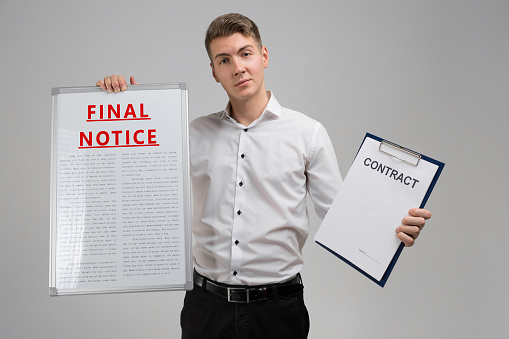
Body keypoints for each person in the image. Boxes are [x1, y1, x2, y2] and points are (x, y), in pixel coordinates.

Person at [97, 13, 431, 339]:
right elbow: (137, 179)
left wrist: (392, 229)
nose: (238, 67)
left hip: (277, 312)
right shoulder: (194, 134)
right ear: (214, 72)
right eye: (224, 60)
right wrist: (126, 106)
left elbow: (339, 216)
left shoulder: (308, 134)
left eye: (245, 54)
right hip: (205, 308)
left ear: (264, 55)